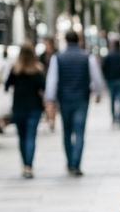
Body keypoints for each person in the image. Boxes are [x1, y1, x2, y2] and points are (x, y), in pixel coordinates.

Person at [44, 29, 104, 176]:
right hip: (82, 99)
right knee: (79, 132)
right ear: (78, 41)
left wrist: (50, 99)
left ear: (66, 41)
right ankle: (76, 163)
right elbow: (96, 77)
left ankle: (70, 162)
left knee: (66, 131)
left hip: (64, 100)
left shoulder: (57, 58)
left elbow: (52, 80)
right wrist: (99, 93)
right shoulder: (87, 57)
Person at [5, 43, 46, 178]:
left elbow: (6, 86)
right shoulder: (37, 69)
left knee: (22, 137)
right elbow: (44, 87)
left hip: (19, 108)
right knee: (30, 137)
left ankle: (25, 165)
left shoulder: (15, 69)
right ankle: (29, 166)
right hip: (34, 107)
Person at [101, 37, 120, 127]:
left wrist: (106, 77)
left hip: (111, 80)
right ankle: (119, 119)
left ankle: (113, 119)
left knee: (112, 100)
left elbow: (104, 68)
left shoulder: (109, 55)